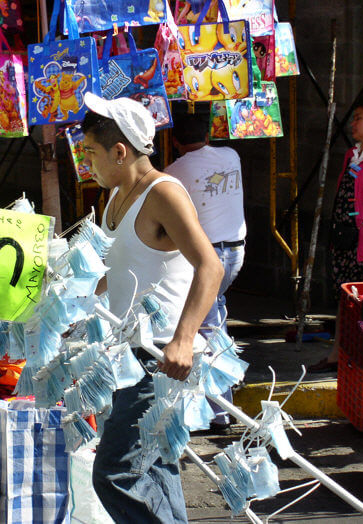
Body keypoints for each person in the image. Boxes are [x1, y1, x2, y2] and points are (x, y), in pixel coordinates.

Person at [82, 93, 223, 523]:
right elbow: (117, 274)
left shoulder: (163, 194)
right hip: (124, 354)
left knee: (114, 473)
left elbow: (210, 266)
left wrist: (184, 340)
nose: (87, 162)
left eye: (90, 152)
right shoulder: (115, 197)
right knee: (153, 469)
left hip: (157, 358)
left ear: (120, 152)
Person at [164, 111, 246, 428]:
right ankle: (218, 393)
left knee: (210, 328)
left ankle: (222, 410)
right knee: (213, 319)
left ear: (174, 141)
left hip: (208, 260)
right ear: (208, 135)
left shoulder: (174, 172)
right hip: (236, 252)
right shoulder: (232, 154)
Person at [310, 93, 363, 372]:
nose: (353, 124)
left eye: (358, 118)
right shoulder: (353, 155)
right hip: (346, 241)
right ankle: (337, 355)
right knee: (345, 299)